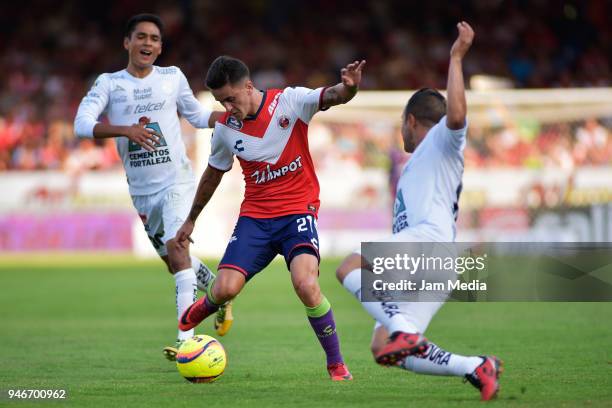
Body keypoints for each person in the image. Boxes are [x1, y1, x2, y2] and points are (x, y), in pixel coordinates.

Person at [335, 22, 503, 401]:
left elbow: (457, 117)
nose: (401, 132)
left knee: (349, 265)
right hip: (438, 261)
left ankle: (403, 329)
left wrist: (456, 58)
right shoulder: (419, 164)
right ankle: (475, 366)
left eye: (401, 125)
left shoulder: (441, 141)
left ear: (411, 121)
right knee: (383, 348)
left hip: (427, 244)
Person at [175, 55, 366, 381]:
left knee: (306, 284)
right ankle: (212, 304)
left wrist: (348, 88)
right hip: (256, 218)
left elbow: (332, 96)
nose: (227, 107)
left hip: (297, 213)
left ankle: (336, 364)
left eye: (230, 99)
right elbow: (213, 174)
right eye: (221, 101)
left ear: (248, 86)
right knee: (225, 288)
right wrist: (191, 218)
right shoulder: (224, 129)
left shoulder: (289, 102)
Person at [73, 13, 233, 361]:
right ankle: (221, 295)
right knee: (175, 263)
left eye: (155, 39)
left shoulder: (172, 77)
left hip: (177, 180)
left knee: (178, 251)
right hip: (142, 192)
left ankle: (186, 338)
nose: (148, 43)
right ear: (127, 43)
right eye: (141, 37)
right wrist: (125, 130)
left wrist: (228, 117)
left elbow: (195, 115)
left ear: (160, 48)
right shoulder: (109, 84)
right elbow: (82, 125)